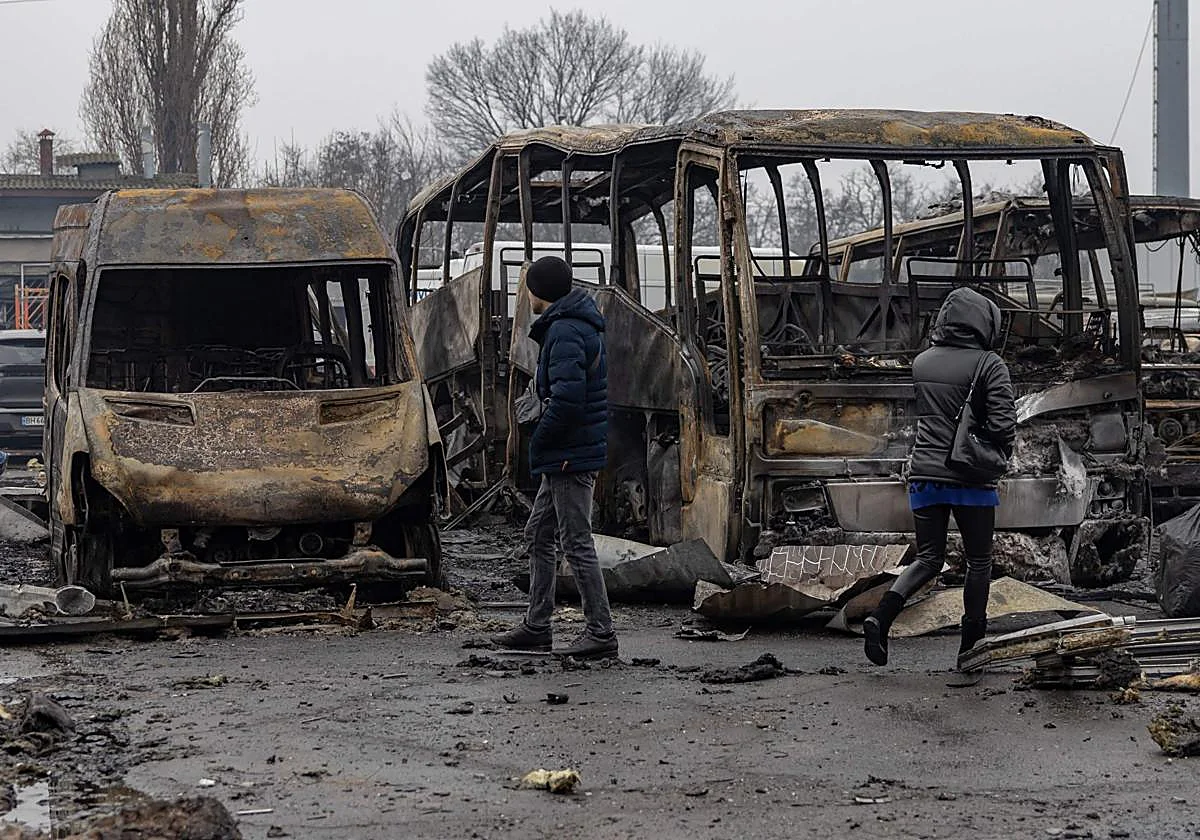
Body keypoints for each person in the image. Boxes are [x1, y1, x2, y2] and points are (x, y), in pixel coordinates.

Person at [863, 287, 1016, 667]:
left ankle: (879, 619)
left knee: (929, 557)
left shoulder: (922, 362)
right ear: (984, 322)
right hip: (970, 478)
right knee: (979, 562)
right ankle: (971, 648)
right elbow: (1002, 424)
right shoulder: (990, 364)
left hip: (924, 475)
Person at [491, 256, 617, 659]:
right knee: (538, 535)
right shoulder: (569, 326)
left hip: (569, 455)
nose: (526, 295)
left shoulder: (563, 331)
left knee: (575, 542)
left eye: (528, 287)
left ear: (539, 291)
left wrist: (539, 441)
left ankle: (601, 633)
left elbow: (566, 401)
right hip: (567, 453)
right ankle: (537, 626)